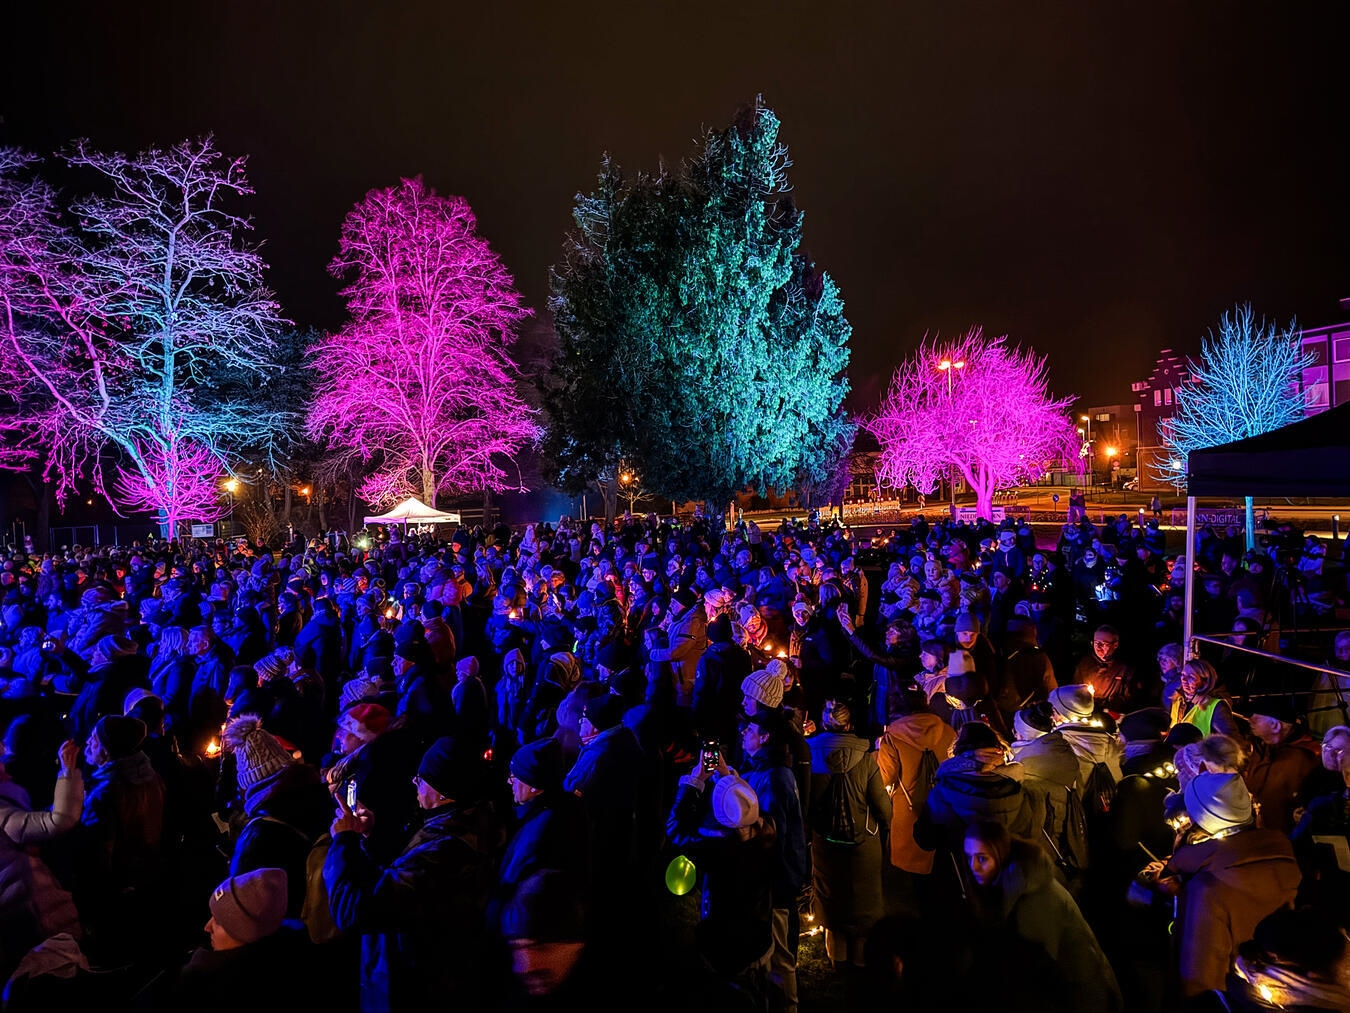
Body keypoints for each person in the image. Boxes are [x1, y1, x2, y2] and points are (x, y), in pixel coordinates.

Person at [324, 735, 499, 1012]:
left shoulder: (444, 850)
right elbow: (396, 880)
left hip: (414, 985)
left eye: (422, 777)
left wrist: (342, 842)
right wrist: (368, 838)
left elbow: (354, 912)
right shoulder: (458, 823)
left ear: (443, 790)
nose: (414, 782)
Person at [1145, 771, 1301, 1000]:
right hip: (1275, 991)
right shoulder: (1284, 857)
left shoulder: (1208, 887)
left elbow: (1200, 974)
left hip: (1229, 996)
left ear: (1201, 817)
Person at [962, 821, 1122, 1011]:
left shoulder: (1032, 897)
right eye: (969, 857)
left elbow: (1029, 972)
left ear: (1001, 854)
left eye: (982, 858)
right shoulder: (1014, 883)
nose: (974, 867)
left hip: (1084, 998)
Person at [806, 699, 891, 970]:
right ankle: (860, 961)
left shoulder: (811, 756)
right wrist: (885, 829)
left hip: (825, 840)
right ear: (849, 724)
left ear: (823, 723)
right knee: (864, 903)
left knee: (832, 902)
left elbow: (808, 802)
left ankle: (837, 960)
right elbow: (881, 804)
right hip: (864, 840)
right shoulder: (866, 759)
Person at [1169, 659, 1239, 739]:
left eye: (1191, 677)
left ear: (1205, 681)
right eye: (1183, 675)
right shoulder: (1178, 699)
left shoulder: (1216, 707)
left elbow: (1232, 741)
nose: (1184, 680)